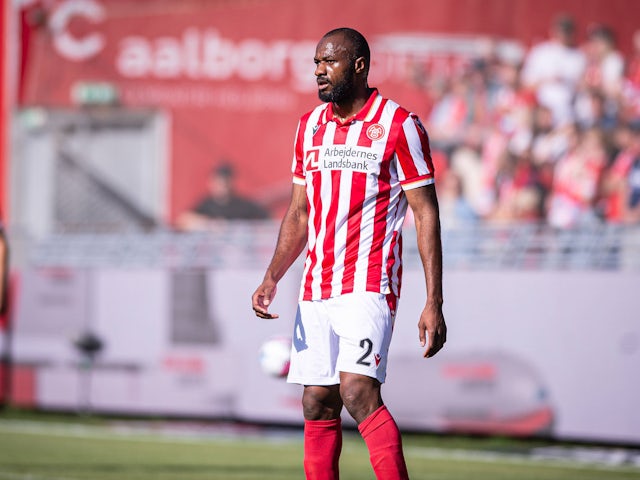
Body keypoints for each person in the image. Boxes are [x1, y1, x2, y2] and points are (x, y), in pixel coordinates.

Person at [251, 28, 446, 479]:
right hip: (317, 285)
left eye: (329, 62)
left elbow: (426, 213)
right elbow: (299, 212)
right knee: (316, 401)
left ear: (359, 66)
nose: (319, 70)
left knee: (357, 392)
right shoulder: (309, 126)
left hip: (369, 281)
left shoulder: (399, 125)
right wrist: (272, 276)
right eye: (316, 62)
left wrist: (433, 301)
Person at [176, 162, 269, 230]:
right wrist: (211, 225)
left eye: (224, 182)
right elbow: (183, 220)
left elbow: (267, 221)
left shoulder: (242, 205)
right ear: (211, 182)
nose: (221, 186)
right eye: (218, 182)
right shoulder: (206, 205)